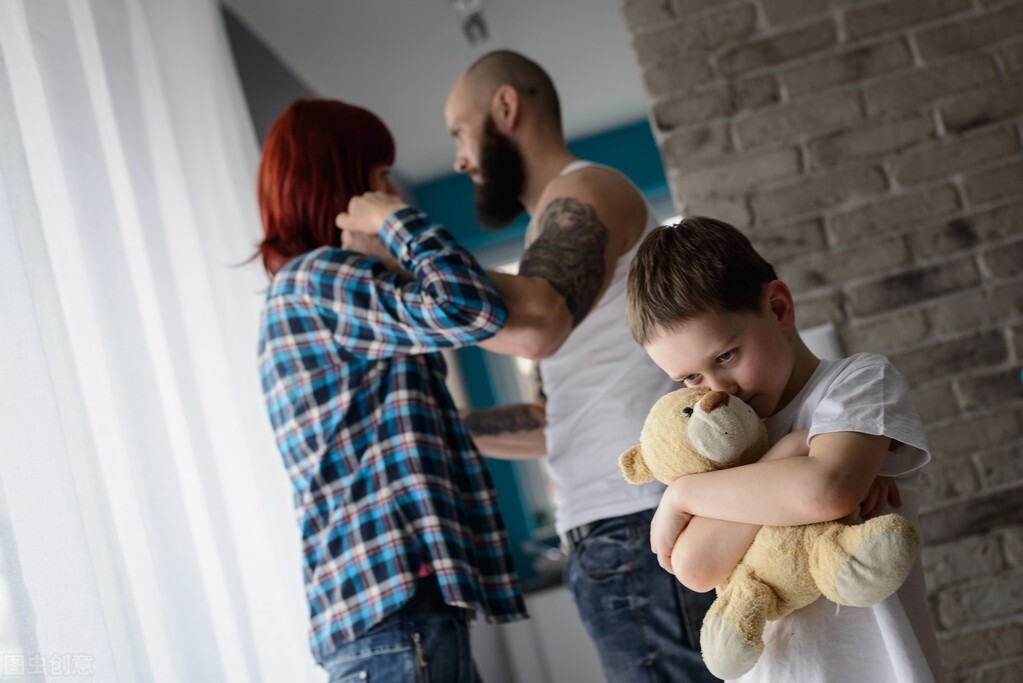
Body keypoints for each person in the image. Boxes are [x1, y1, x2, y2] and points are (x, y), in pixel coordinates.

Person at [442, 50, 719, 682]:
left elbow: (535, 324)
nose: (459, 158)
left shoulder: (586, 190)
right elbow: (554, 418)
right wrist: (445, 428)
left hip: (638, 523)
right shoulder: (545, 234)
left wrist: (402, 255)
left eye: (460, 132)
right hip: (609, 533)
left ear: (505, 107)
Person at [254, 98, 526, 683]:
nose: (391, 190)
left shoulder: (309, 288)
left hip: (388, 618)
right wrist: (395, 220)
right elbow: (473, 309)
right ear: (342, 184)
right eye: (380, 176)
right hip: (396, 617)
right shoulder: (319, 279)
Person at [624, 216, 945, 682]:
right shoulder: (713, 447)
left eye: (726, 356)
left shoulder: (857, 383)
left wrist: (686, 496)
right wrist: (792, 453)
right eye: (691, 378)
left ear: (777, 308)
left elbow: (825, 490)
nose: (718, 392)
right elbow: (695, 567)